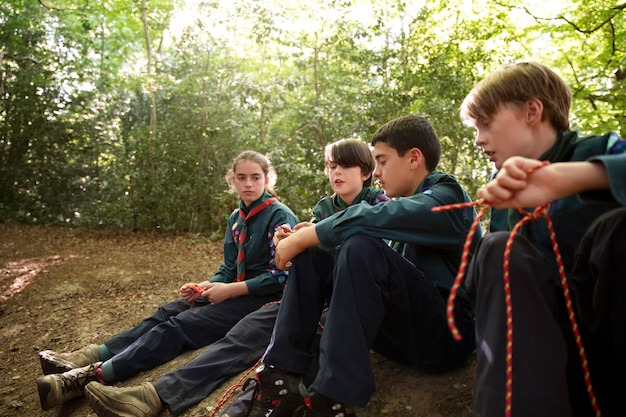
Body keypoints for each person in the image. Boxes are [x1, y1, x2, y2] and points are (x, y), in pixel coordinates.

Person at [79, 138, 388, 417]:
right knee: (237, 332)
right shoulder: (321, 209)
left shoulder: (380, 207)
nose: (336, 172)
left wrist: (307, 245)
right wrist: (290, 244)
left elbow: (372, 262)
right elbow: (290, 268)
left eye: (345, 166)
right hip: (307, 300)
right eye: (331, 166)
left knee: (284, 348)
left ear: (365, 172)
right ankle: (152, 396)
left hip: (342, 306)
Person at [246, 115, 480, 417]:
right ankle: (280, 373)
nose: (377, 173)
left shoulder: (449, 197)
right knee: (319, 252)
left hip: (446, 337)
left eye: (382, 161)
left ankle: (331, 395)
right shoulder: (396, 204)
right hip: (399, 335)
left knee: (357, 243)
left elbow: (377, 221)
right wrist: (309, 239)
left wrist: (313, 234)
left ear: (413, 158)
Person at [36, 150, 299, 410]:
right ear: (232, 180)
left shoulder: (279, 216)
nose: (248, 184)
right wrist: (205, 286)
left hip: (259, 299)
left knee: (180, 324)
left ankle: (94, 375)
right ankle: (93, 355)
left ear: (268, 179)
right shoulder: (236, 218)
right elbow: (228, 268)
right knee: (167, 311)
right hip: (233, 289)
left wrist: (229, 290)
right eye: (241, 177)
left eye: (255, 177)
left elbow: (281, 275)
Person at [459, 61, 626, 417]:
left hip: (607, 351)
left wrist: (573, 178)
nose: (478, 139)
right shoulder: (502, 195)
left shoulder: (602, 150)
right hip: (542, 370)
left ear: (533, 111)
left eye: (486, 123)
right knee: (496, 248)